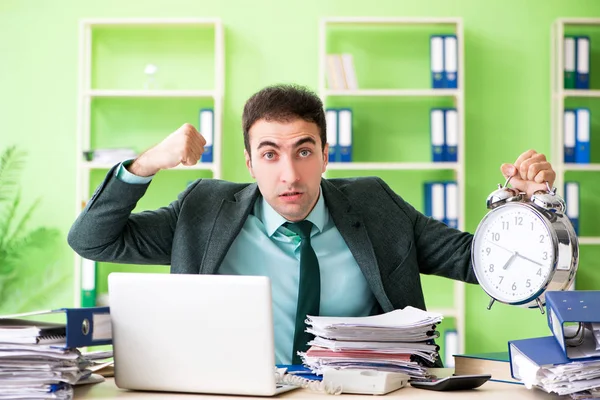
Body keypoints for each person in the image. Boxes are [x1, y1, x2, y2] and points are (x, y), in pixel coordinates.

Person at [68, 84, 556, 366]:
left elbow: (482, 264)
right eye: (269, 154)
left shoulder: (375, 205)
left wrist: (534, 207)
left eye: (304, 151)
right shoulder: (203, 209)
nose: (289, 174)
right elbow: (91, 240)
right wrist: (147, 162)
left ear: (325, 155)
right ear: (249, 161)